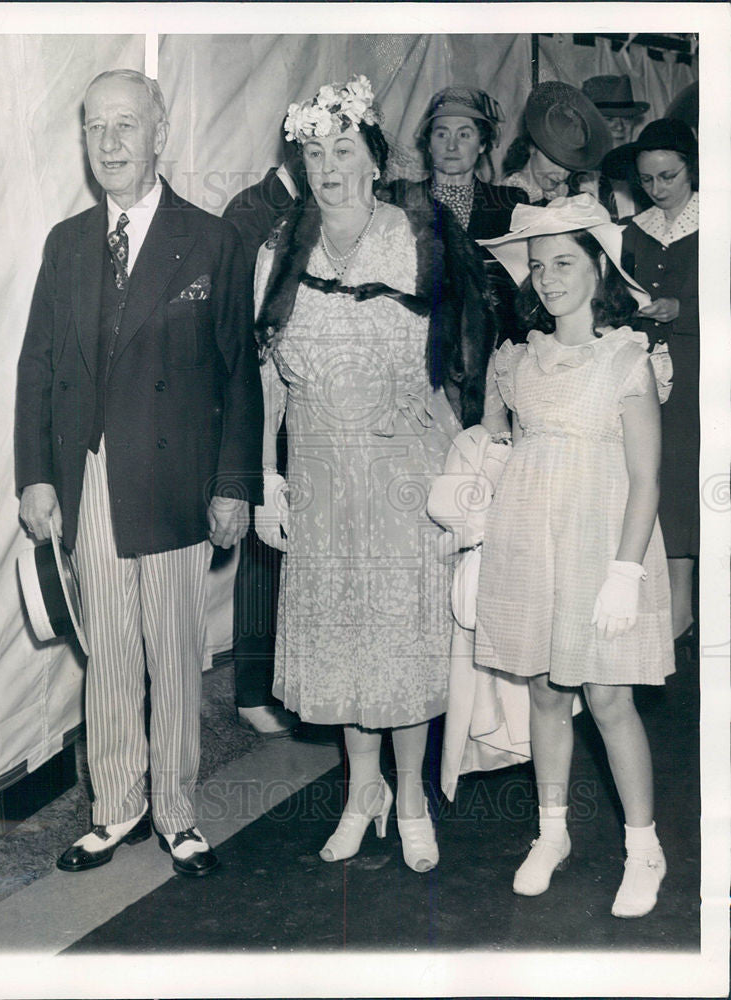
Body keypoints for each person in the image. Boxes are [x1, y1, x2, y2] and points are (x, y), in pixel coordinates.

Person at [15, 70, 263, 878]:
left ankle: (178, 813)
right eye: (95, 127)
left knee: (172, 652)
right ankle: (114, 809)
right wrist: (37, 476)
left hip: (173, 483)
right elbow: (38, 366)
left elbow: (239, 376)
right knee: (110, 654)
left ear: (160, 133)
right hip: (88, 479)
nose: (110, 142)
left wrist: (233, 485)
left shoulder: (214, 241)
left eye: (126, 125)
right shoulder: (66, 242)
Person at [253, 75, 497, 872]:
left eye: (343, 149)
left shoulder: (419, 236)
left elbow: (476, 345)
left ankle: (413, 799)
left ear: (372, 157)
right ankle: (364, 795)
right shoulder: (279, 252)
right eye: (313, 152)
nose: (328, 165)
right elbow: (262, 377)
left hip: (402, 471)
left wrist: (469, 450)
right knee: (342, 644)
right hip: (319, 471)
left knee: (399, 640)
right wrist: (265, 476)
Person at [475, 194, 674, 918]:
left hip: (601, 546)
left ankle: (643, 846)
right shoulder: (517, 359)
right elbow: (496, 447)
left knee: (609, 697)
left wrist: (624, 574)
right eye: (537, 266)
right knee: (544, 693)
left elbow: (646, 477)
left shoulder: (626, 357)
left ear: (597, 266)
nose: (549, 277)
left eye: (563, 262)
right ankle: (550, 831)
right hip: (530, 541)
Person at [602, 119, 699, 647]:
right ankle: (668, 603)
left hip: (700, 368)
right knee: (653, 474)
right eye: (647, 179)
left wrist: (683, 307)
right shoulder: (633, 230)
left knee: (686, 476)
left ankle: (683, 606)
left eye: (669, 176)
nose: (658, 189)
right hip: (647, 367)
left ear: (693, 168)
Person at [223, 123, 306, 737]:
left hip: (312, 389)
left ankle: (297, 677)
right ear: (291, 149)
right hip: (258, 388)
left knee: (303, 540)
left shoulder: (329, 204)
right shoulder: (252, 208)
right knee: (261, 539)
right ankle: (253, 686)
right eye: (313, 148)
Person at [384, 86, 528, 344]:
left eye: (464, 134)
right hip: (415, 339)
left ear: (482, 144)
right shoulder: (400, 199)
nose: (452, 145)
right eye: (441, 134)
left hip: (489, 345)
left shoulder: (509, 204)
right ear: (428, 144)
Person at [501, 82, 611, 206]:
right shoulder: (506, 198)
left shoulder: (563, 196)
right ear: (532, 147)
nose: (562, 175)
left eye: (569, 167)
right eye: (555, 161)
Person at [579, 75, 652, 219]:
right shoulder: (569, 176)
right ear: (588, 125)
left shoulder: (645, 175)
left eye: (626, 119)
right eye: (609, 119)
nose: (620, 126)